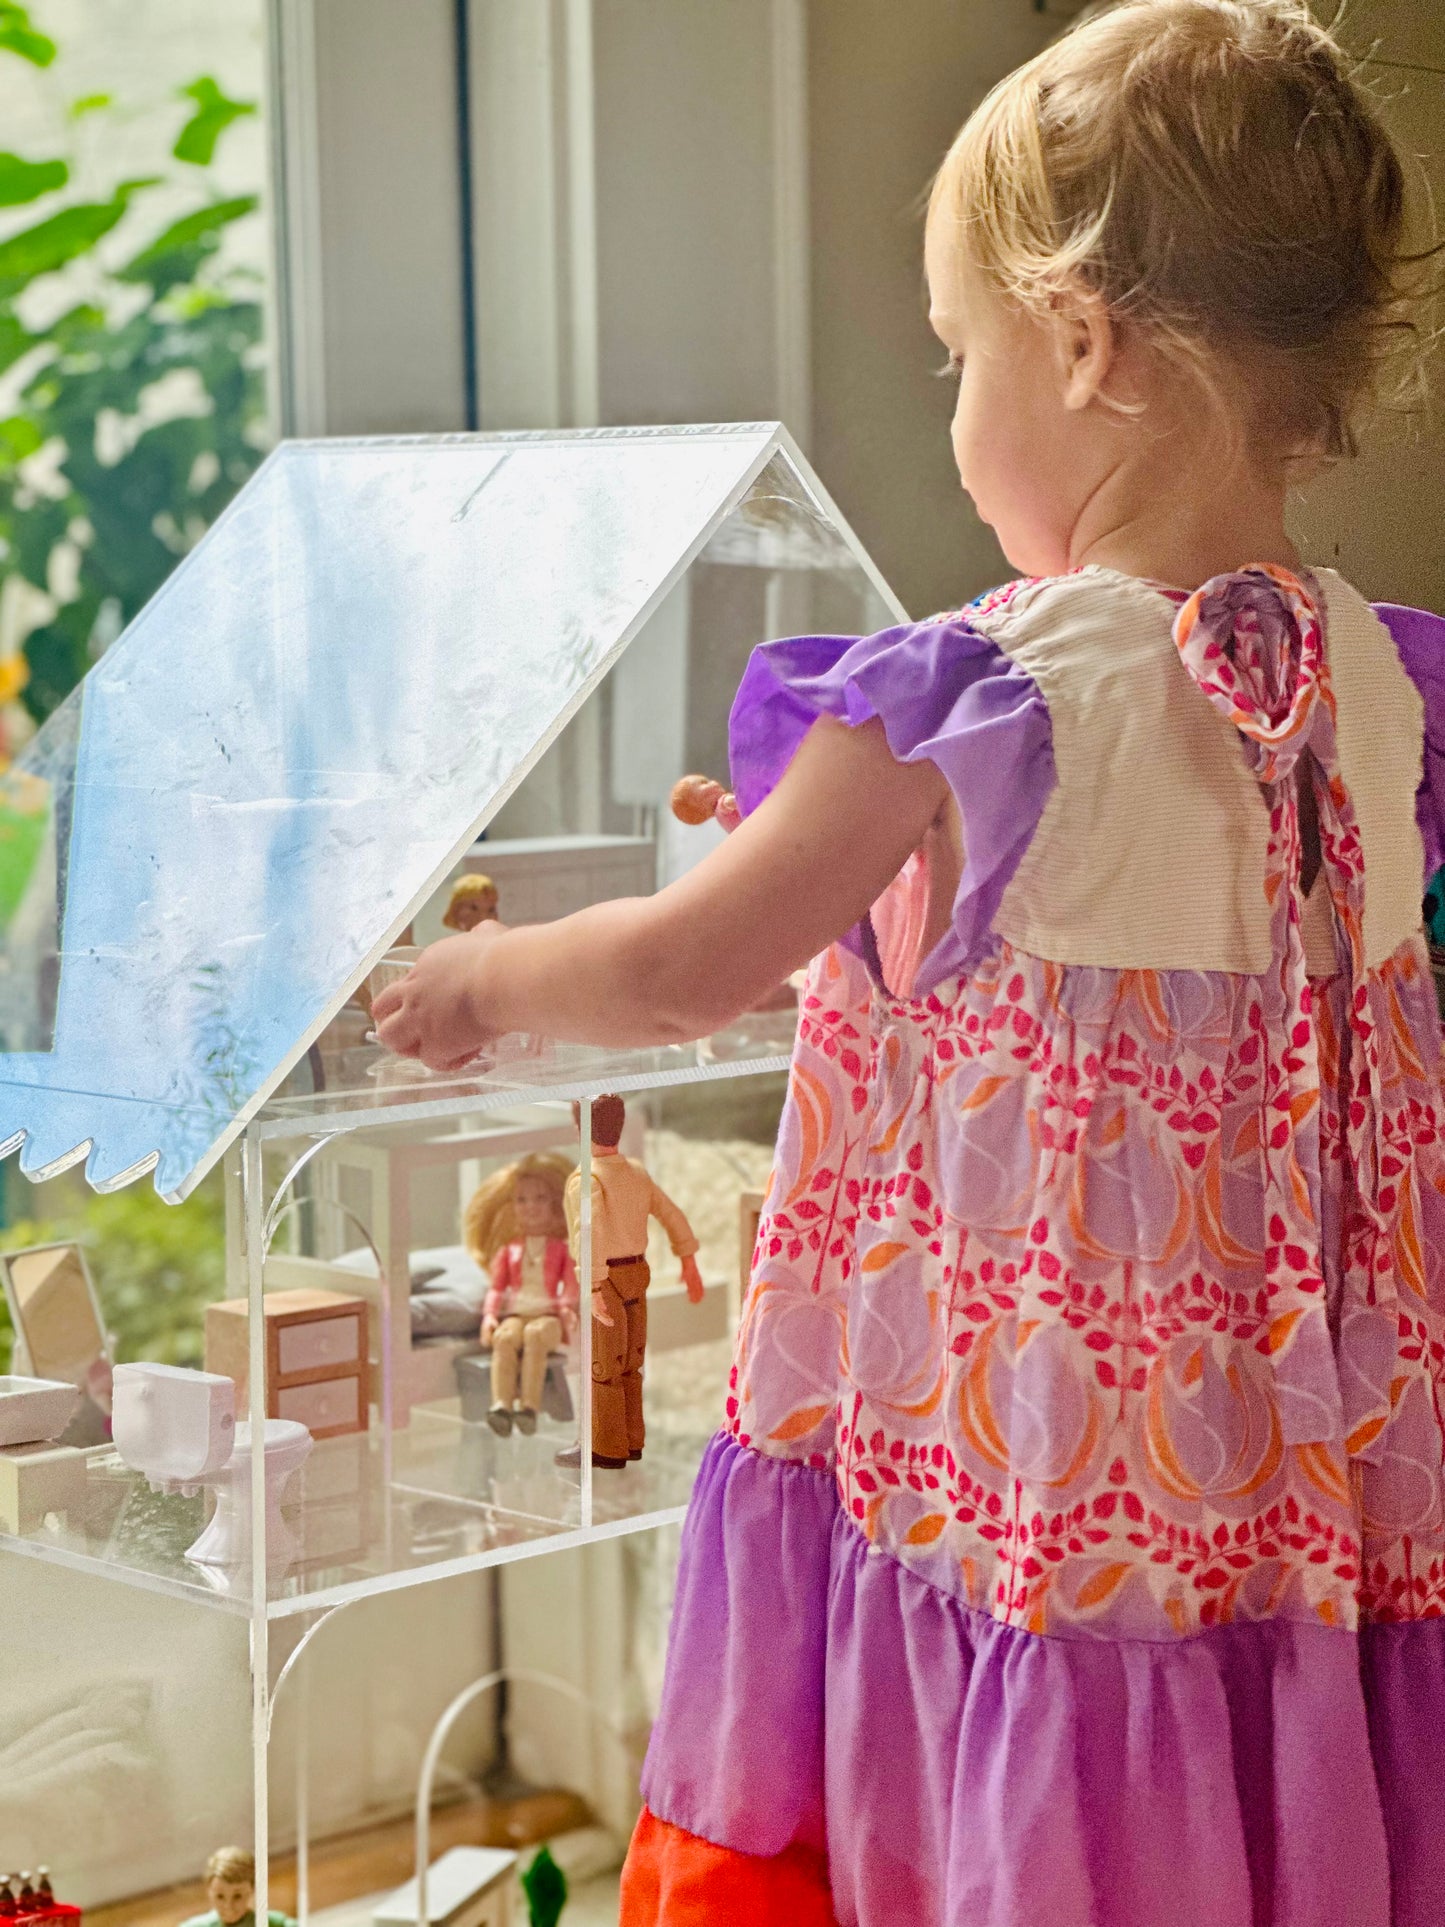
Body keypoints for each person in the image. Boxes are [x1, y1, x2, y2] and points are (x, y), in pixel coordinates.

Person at [374, 3, 1445, 1919]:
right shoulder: (1383, 689)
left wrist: (489, 982)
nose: (955, 418)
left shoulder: (977, 691)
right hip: (1265, 1518)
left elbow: (681, 975)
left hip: (1023, 1493)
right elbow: (1103, 952)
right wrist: (840, 873)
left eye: (960, 355)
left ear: (1083, 341)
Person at [558, 1094, 704, 1469]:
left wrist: (591, 1287)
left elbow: (588, 1234)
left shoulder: (586, 1179)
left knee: (603, 1366)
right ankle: (630, 1439)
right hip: (637, 1275)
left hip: (604, 1279)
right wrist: (687, 1257)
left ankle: (606, 1447)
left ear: (580, 1129)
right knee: (630, 1364)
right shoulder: (635, 1172)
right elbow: (670, 1212)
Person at [465, 1152, 579, 1435]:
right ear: (511, 1206)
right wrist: (490, 1315)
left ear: (556, 1203)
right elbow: (496, 1287)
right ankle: (501, 1407)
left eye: (540, 1199)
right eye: (522, 1200)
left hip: (548, 1317)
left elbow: (571, 1284)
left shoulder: (561, 1249)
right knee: (504, 1337)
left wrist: (567, 1309)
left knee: (536, 1336)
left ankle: (529, 1409)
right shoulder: (509, 1250)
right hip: (517, 1314)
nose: (531, 1207)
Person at [179, 1850, 294, 1927]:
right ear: (209, 1891)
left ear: (252, 1889)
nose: (228, 1906)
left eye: (238, 1896)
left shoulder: (275, 1924)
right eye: (220, 1897)